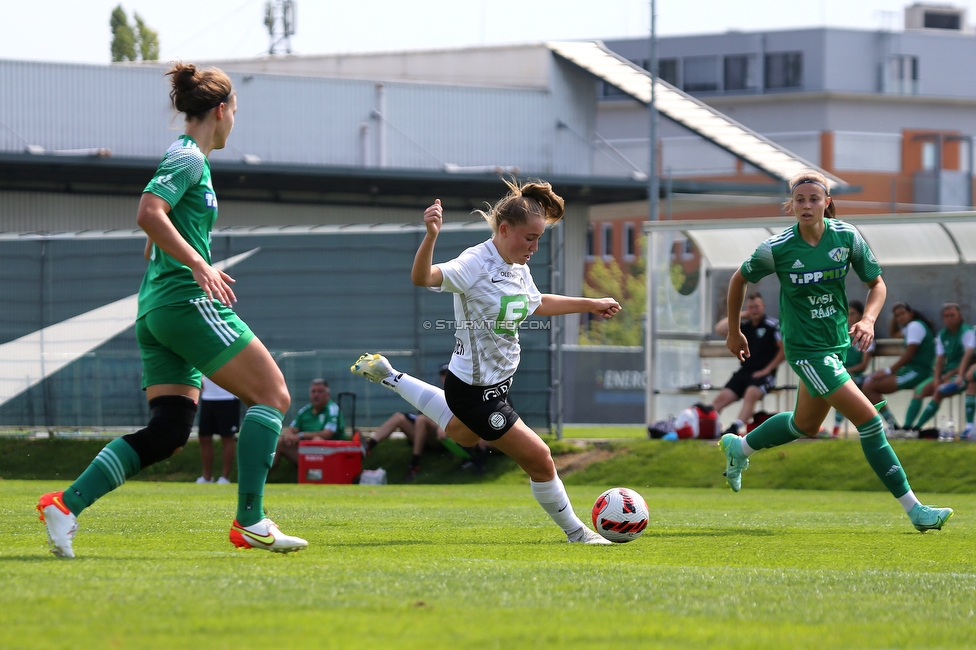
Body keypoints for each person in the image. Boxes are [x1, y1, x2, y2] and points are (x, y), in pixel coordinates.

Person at [36, 62, 307, 557]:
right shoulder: (188, 158)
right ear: (221, 110)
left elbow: (154, 235)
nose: (233, 123)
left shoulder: (189, 162)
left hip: (157, 309)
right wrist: (200, 265)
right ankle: (250, 520)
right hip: (184, 302)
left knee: (168, 432)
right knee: (273, 393)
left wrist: (178, 251)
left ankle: (66, 505)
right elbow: (147, 213)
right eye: (235, 113)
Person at [351, 178, 622, 544]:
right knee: (540, 458)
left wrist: (590, 303)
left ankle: (391, 376)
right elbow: (422, 277)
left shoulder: (516, 266)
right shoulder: (475, 262)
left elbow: (537, 303)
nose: (534, 247)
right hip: (476, 390)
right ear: (505, 229)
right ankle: (577, 533)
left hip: (493, 383)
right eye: (529, 238)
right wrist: (430, 235)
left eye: (539, 239)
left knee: (462, 433)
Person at [718, 170, 952, 532]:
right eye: (800, 200)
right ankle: (915, 510)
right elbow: (739, 280)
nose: (807, 205)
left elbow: (876, 284)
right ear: (791, 206)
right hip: (806, 351)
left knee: (804, 424)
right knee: (871, 422)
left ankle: (741, 448)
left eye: (814, 199)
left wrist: (870, 320)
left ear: (827, 203)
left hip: (835, 346)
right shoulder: (776, 248)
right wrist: (734, 331)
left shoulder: (847, 237)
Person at [365, 364, 484, 480]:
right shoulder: (434, 390)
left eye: (448, 374)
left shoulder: (460, 392)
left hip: (448, 436)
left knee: (422, 420)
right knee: (399, 417)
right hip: (428, 433)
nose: (445, 377)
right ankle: (368, 446)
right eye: (443, 375)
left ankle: (414, 464)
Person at [712, 292, 785, 435]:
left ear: (763, 307)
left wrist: (767, 370)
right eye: (751, 307)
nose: (754, 310)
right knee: (720, 399)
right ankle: (712, 429)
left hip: (764, 374)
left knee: (750, 393)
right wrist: (741, 315)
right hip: (744, 372)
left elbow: (784, 350)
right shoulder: (744, 326)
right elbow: (719, 329)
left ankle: (735, 427)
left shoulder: (772, 326)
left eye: (757, 307)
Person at [862, 302, 936, 431]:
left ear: (911, 313)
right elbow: (893, 333)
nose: (900, 318)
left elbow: (909, 355)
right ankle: (894, 426)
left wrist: (886, 371)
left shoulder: (915, 326)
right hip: (912, 370)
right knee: (868, 385)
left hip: (918, 371)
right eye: (897, 316)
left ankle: (897, 427)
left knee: (870, 385)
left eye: (903, 314)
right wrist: (893, 318)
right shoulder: (910, 327)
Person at [907, 302, 975, 432]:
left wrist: (952, 375)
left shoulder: (967, 332)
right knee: (920, 390)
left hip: (963, 374)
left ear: (959, 316)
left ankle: (917, 428)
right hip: (947, 373)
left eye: (952, 315)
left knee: (940, 391)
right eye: (946, 316)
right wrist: (937, 378)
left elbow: (968, 358)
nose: (949, 319)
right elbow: (940, 360)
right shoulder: (942, 334)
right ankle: (906, 427)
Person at [274, 378, 345, 468]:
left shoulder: (333, 409)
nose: (316, 394)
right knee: (280, 442)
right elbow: (291, 429)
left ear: (327, 394)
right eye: (313, 391)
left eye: (320, 391)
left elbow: (327, 434)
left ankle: (317, 475)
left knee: (316, 440)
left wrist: (301, 436)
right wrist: (288, 436)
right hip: (305, 453)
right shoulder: (304, 411)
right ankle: (264, 477)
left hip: (331, 454)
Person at [831, 300, 875, 437]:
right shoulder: (841, 333)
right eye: (848, 314)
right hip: (841, 373)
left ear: (861, 315)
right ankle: (809, 429)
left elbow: (864, 365)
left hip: (857, 375)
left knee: (844, 387)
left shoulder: (866, 336)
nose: (850, 318)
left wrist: (848, 371)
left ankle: (835, 431)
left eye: (853, 314)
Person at [196, 376, 241, 484]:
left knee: (227, 437)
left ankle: (225, 477)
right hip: (207, 396)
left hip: (228, 397)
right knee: (204, 436)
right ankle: (206, 477)